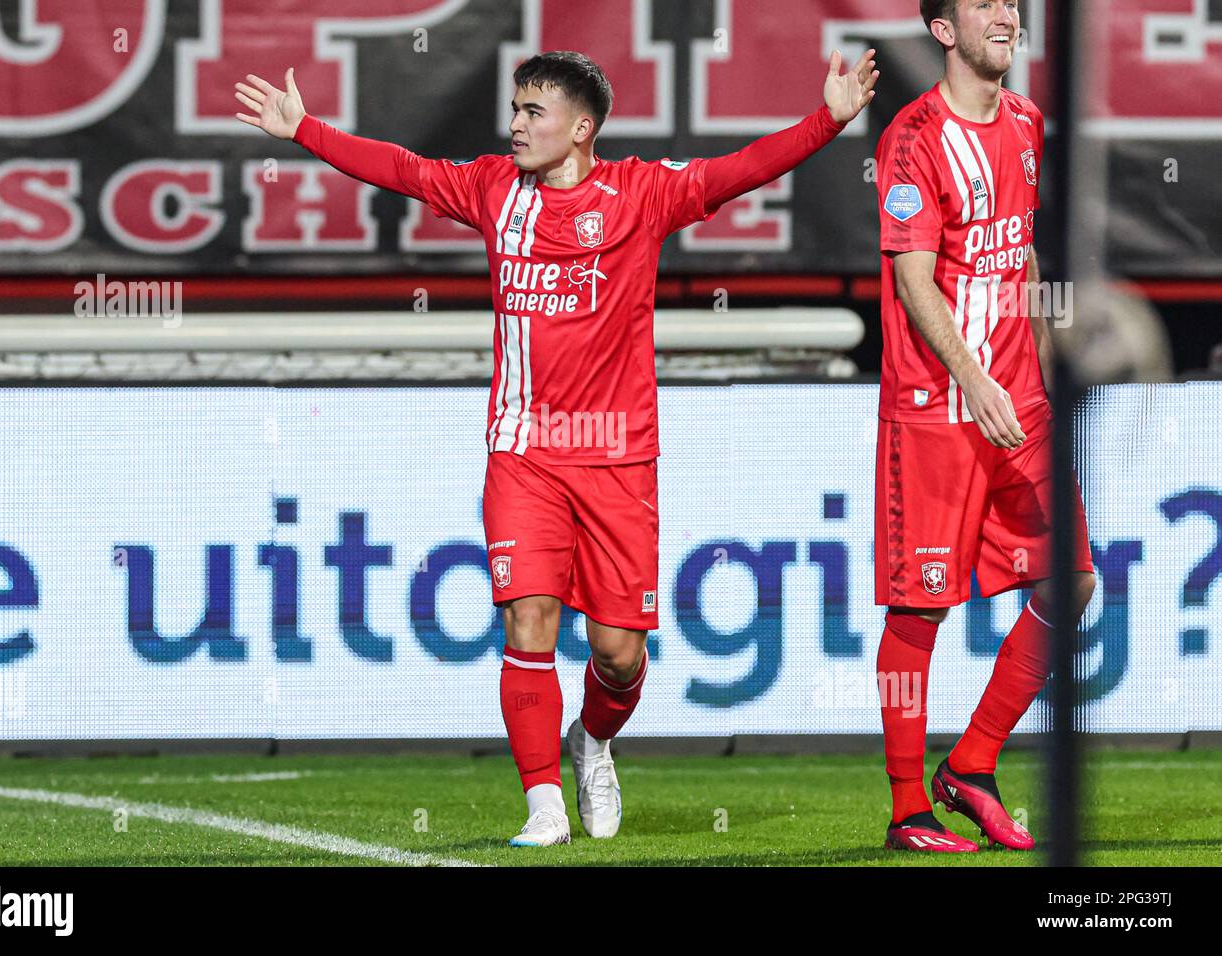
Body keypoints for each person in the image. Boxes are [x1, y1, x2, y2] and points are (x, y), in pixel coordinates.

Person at [237, 48, 878, 847]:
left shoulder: (643, 193)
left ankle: (595, 740)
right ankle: (543, 805)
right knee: (528, 620)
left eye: (532, 112)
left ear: (582, 128)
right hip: (524, 452)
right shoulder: (490, 190)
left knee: (617, 655)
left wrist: (829, 120)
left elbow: (739, 169)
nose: (514, 124)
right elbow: (402, 169)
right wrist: (306, 131)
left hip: (617, 457)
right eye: (514, 108)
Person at [873, 0, 1095, 852]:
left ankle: (969, 765)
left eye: (1011, 1)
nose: (1006, 14)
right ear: (942, 30)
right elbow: (915, 280)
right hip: (935, 412)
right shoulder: (915, 140)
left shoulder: (1029, 123)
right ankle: (906, 810)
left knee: (1071, 580)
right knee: (919, 610)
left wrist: (1038, 354)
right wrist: (975, 376)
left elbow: (1023, 250)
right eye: (983, 4)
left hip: (1020, 404)